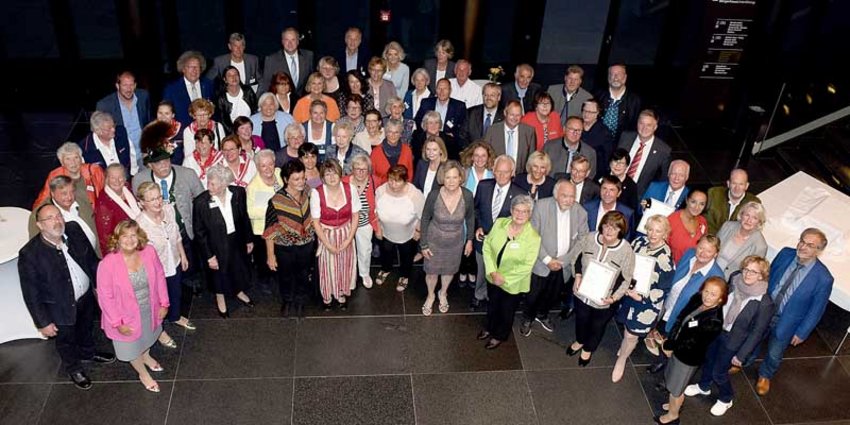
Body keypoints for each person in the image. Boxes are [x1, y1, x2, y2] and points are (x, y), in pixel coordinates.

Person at [19, 204, 115, 390]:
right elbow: (31, 292)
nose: (57, 221)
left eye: (58, 216)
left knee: (86, 328)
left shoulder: (73, 229)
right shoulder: (30, 254)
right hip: (59, 307)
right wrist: (43, 322)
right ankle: (74, 368)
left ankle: (88, 353)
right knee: (66, 340)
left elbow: (91, 260)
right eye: (50, 218)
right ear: (39, 225)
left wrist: (100, 286)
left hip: (85, 296)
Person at [685, 256, 773, 417]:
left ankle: (726, 398)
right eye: (746, 269)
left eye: (754, 272)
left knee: (719, 371)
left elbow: (757, 332)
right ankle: (704, 387)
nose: (747, 274)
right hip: (716, 330)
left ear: (762, 275)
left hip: (734, 341)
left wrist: (741, 355)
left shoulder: (764, 302)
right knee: (707, 360)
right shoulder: (734, 279)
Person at [755, 228, 833, 396]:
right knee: (754, 338)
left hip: (788, 322)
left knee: (775, 352)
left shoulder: (823, 278)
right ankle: (742, 361)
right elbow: (769, 276)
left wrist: (802, 332)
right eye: (802, 241)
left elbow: (816, 309)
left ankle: (765, 375)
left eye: (810, 245)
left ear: (819, 251)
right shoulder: (785, 254)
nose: (803, 247)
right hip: (765, 309)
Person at [95, 220, 169, 393]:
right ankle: (143, 373)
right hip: (124, 316)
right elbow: (105, 297)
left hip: (150, 307)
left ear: (139, 237)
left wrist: (164, 302)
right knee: (131, 347)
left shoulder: (149, 252)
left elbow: (159, 276)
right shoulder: (107, 264)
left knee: (148, 336)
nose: (129, 240)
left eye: (133, 235)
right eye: (124, 236)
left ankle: (146, 356)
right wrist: (117, 322)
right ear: (117, 239)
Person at [565, 210, 636, 366]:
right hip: (582, 292)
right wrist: (577, 275)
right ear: (602, 226)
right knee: (581, 319)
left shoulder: (626, 250)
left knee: (597, 325)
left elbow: (627, 278)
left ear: (621, 230)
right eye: (607, 225)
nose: (609, 230)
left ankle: (588, 349)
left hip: (606, 299)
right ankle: (580, 340)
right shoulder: (590, 238)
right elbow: (576, 258)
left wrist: (613, 298)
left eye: (615, 227)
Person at [647, 235, 724, 375]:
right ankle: (662, 359)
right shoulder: (689, 254)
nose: (702, 253)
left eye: (708, 251)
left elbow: (709, 305)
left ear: (716, 254)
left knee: (676, 342)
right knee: (666, 335)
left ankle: (668, 372)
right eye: (700, 247)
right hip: (669, 304)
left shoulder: (716, 276)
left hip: (686, 318)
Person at [656, 277, 727, 425]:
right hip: (677, 349)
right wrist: (671, 341)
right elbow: (680, 318)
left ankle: (672, 416)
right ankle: (674, 406)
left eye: (713, 294)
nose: (707, 296)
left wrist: (671, 347)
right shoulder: (697, 299)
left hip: (687, 358)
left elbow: (692, 343)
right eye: (706, 291)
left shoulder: (714, 321)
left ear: (721, 299)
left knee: (676, 389)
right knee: (675, 383)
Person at [612, 214, 675, 382]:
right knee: (626, 328)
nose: (653, 234)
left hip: (645, 304)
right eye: (650, 229)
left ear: (665, 233)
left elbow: (663, 289)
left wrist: (641, 297)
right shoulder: (639, 242)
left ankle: (622, 358)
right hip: (629, 294)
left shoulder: (665, 259)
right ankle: (624, 347)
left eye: (658, 231)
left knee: (632, 335)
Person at [522, 180, 588, 336]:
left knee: (553, 295)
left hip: (563, 265)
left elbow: (583, 240)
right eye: (564, 196)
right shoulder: (540, 206)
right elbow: (532, 236)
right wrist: (547, 260)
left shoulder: (581, 213)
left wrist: (563, 261)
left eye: (572, 196)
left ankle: (542, 315)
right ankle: (527, 318)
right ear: (556, 195)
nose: (569, 200)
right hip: (541, 262)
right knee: (533, 295)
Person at [478, 195, 540, 349]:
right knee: (492, 304)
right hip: (493, 276)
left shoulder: (533, 238)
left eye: (524, 212)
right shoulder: (500, 223)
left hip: (513, 283)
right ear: (511, 211)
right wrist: (492, 271)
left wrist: (503, 279)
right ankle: (489, 327)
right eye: (517, 210)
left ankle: (499, 335)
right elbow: (487, 246)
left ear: (530, 214)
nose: (520, 215)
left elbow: (527, 265)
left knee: (506, 311)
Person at [192, 165, 255, 317]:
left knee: (237, 267)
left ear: (224, 184)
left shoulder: (238, 193)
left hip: (236, 239)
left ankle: (238, 290)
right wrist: (209, 256)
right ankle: (220, 296)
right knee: (218, 273)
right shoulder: (201, 202)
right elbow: (199, 233)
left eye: (213, 184)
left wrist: (249, 239)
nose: (208, 187)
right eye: (208, 182)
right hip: (215, 243)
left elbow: (244, 217)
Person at [136, 182, 193, 334]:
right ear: (141, 203)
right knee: (157, 300)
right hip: (155, 270)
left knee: (176, 292)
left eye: (159, 197)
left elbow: (176, 234)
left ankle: (175, 316)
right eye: (152, 199)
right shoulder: (139, 225)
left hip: (173, 261)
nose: (158, 202)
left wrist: (182, 254)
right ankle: (159, 330)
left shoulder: (169, 209)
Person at [419, 160, 475, 315]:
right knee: (431, 272)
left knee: (449, 271)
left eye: (454, 177)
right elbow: (424, 218)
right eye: (448, 177)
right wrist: (423, 244)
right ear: (442, 178)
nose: (451, 181)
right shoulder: (434, 195)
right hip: (434, 240)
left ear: (460, 178)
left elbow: (470, 218)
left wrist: (469, 240)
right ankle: (430, 295)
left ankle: (443, 293)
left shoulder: (467, 195)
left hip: (456, 242)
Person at [471, 155, 525, 309]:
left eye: (506, 172)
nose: (501, 175)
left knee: (499, 272)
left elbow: (521, 221)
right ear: (493, 171)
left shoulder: (519, 193)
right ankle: (479, 294)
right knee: (482, 270)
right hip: (483, 239)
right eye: (498, 171)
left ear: (512, 173)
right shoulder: (483, 186)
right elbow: (476, 209)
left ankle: (493, 298)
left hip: (505, 244)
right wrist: (479, 226)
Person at [264, 160, 316, 319]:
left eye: (302, 178)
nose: (301, 182)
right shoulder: (276, 200)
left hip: (306, 244)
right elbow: (270, 229)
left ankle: (300, 300)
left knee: (303, 273)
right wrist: (271, 256)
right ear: (286, 180)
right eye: (296, 179)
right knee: (285, 275)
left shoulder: (308, 192)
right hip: (284, 246)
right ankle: (287, 300)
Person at [311, 159, 361, 310]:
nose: (331, 177)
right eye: (327, 174)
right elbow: (315, 222)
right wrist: (327, 244)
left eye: (334, 173)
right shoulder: (317, 192)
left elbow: (355, 215)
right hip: (327, 234)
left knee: (344, 265)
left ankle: (340, 293)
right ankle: (327, 297)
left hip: (346, 232)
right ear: (323, 177)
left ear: (340, 173)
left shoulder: (350, 188)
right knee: (328, 267)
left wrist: (349, 239)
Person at [375, 165, 425, 292]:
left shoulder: (414, 194)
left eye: (397, 181)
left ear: (405, 180)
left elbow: (422, 215)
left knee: (406, 257)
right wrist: (378, 228)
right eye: (391, 179)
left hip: (408, 234)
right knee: (386, 253)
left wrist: (418, 231)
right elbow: (375, 212)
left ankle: (404, 276)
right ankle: (385, 269)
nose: (393, 184)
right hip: (386, 231)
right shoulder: (381, 191)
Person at [29, 175, 100, 256]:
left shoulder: (82, 200)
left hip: (96, 255)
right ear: (52, 193)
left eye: (72, 192)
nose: (69, 197)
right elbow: (37, 249)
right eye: (64, 193)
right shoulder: (39, 215)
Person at [96, 71, 151, 172]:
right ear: (117, 86)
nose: (129, 89)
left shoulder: (143, 97)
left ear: (135, 85)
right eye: (125, 85)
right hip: (120, 157)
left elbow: (148, 123)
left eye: (131, 85)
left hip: (143, 154)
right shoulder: (105, 105)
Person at [458, 141, 496, 286]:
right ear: (471, 157)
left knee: (478, 247)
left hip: (483, 217)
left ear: (488, 157)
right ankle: (463, 271)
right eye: (476, 155)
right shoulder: (464, 172)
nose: (480, 159)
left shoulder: (493, 174)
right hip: (464, 216)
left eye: (483, 156)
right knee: (463, 245)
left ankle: (473, 271)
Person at [245, 150, 282, 293]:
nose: (268, 169)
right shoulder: (253, 186)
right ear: (257, 167)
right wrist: (271, 210)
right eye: (263, 166)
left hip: (281, 226)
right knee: (263, 257)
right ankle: (264, 280)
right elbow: (250, 212)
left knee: (278, 254)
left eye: (270, 164)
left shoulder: (279, 174)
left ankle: (278, 276)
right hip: (262, 229)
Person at [343, 154, 380, 289]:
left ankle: (364, 273)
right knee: (347, 251)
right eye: (357, 168)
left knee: (365, 250)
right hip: (346, 223)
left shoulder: (375, 181)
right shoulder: (344, 182)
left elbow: (379, 203)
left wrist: (377, 226)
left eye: (364, 169)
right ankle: (348, 275)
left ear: (369, 170)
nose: (360, 172)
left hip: (365, 222)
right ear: (352, 169)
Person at [33, 142, 105, 210]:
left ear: (81, 159)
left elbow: (107, 193)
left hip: (96, 212)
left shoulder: (94, 170)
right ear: (62, 162)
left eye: (76, 157)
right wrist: (36, 214)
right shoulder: (55, 175)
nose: (73, 162)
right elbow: (44, 198)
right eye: (68, 159)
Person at [616, 109, 671, 197]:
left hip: (640, 196)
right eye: (641, 123)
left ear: (655, 127)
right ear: (637, 123)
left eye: (649, 125)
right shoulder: (625, 137)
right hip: (616, 190)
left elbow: (663, 179)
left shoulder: (663, 150)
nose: (644, 128)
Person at [414, 78, 468, 159]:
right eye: (439, 88)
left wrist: (452, 135)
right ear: (436, 90)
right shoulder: (426, 103)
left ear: (450, 90)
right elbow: (418, 121)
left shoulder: (459, 106)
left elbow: (464, 128)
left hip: (449, 145)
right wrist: (427, 134)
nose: (442, 91)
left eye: (445, 89)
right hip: (427, 143)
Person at [95, 163, 141, 253]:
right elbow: (105, 237)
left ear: (125, 178)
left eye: (120, 177)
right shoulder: (103, 203)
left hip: (138, 240)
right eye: (113, 178)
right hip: (123, 248)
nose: (117, 181)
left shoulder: (128, 188)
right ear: (107, 179)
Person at [716, 201, 768, 278]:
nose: (749, 220)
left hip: (730, 282)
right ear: (741, 215)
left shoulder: (760, 246)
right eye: (747, 215)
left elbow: (751, 275)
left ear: (759, 222)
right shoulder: (727, 226)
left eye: (754, 218)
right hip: (710, 270)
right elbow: (712, 248)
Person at [162, 50, 214, 127]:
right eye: (190, 67)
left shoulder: (209, 85)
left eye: (197, 67)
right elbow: (166, 115)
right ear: (183, 69)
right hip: (182, 134)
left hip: (207, 133)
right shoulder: (171, 89)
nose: (194, 70)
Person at [705, 168, 762, 235]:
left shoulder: (753, 203)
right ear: (728, 183)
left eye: (741, 184)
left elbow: (752, 228)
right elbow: (704, 219)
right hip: (710, 238)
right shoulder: (713, 194)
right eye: (734, 183)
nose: (737, 188)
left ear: (746, 186)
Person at [484, 100, 535, 171]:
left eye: (518, 115)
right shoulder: (492, 130)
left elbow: (531, 158)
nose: (515, 118)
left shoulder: (529, 132)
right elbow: (486, 153)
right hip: (497, 175)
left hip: (519, 177)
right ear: (505, 113)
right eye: (512, 115)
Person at [261, 27, 314, 95]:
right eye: (286, 40)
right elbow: (266, 85)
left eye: (293, 40)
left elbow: (312, 80)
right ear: (282, 41)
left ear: (298, 41)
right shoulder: (271, 60)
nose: (290, 43)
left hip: (303, 102)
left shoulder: (308, 56)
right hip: (280, 103)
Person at [595, 63, 641, 142]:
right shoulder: (597, 96)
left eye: (619, 74)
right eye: (612, 74)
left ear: (625, 77)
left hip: (622, 144)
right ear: (608, 77)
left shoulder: (635, 101)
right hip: (597, 142)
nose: (615, 77)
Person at [583, 175, 635, 242]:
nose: (607, 193)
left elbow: (626, 239)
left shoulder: (627, 213)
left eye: (612, 190)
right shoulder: (587, 208)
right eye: (604, 188)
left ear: (619, 193)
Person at [544, 116, 596, 180]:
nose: (575, 133)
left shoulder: (590, 153)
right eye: (571, 129)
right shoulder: (549, 147)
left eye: (578, 130)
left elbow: (590, 177)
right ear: (564, 129)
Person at [667, 190, 708, 263]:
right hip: (671, 268)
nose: (697, 207)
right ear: (687, 200)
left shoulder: (703, 222)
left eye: (701, 204)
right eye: (693, 202)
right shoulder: (671, 220)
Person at [214, 65, 257, 134]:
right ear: (225, 79)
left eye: (236, 74)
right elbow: (224, 122)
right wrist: (237, 134)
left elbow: (255, 111)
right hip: (233, 133)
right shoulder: (221, 98)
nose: (233, 77)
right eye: (230, 75)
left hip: (251, 129)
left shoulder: (248, 91)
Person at [371, 119, 415, 186]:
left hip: (403, 191)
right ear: (386, 133)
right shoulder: (375, 152)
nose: (393, 135)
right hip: (382, 191)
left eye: (396, 132)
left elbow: (410, 173)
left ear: (400, 134)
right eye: (390, 132)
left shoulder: (407, 150)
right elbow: (372, 176)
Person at [581, 98, 615, 175]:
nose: (586, 114)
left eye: (590, 112)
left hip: (593, 172)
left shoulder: (605, 133)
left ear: (598, 113)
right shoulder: (577, 125)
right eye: (585, 110)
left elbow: (606, 158)